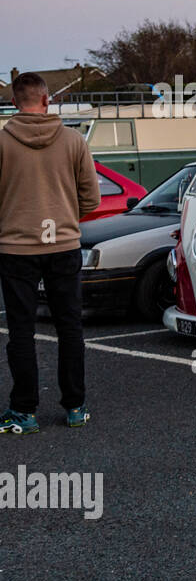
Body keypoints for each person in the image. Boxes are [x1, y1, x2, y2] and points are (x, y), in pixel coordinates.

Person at [0, 72, 100, 433]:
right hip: (64, 246)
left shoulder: (2, 143)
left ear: (15, 102)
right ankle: (75, 406)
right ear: (47, 100)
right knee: (70, 327)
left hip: (16, 248)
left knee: (22, 331)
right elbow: (92, 198)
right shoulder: (74, 141)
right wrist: (62, 216)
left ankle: (24, 412)